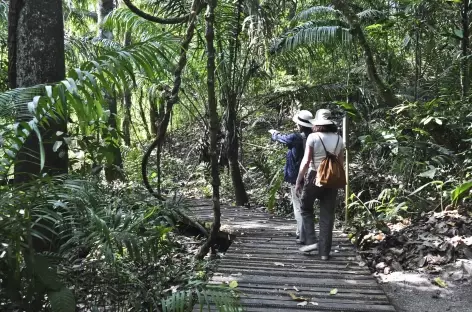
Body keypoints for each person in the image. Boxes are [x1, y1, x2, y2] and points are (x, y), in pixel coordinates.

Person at [295, 109, 344, 260]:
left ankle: (311, 241)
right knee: (327, 216)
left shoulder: (313, 137)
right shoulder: (339, 139)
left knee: (305, 208)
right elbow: (341, 163)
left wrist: (299, 180)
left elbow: (306, 161)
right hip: (331, 179)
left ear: (316, 123)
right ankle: (324, 253)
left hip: (314, 176)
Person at [268, 110, 314, 242]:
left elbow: (282, 138)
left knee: (298, 206)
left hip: (297, 177)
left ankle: (302, 233)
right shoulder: (314, 137)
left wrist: (274, 133)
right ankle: (305, 232)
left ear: (300, 125)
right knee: (306, 206)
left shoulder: (296, 138)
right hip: (311, 175)